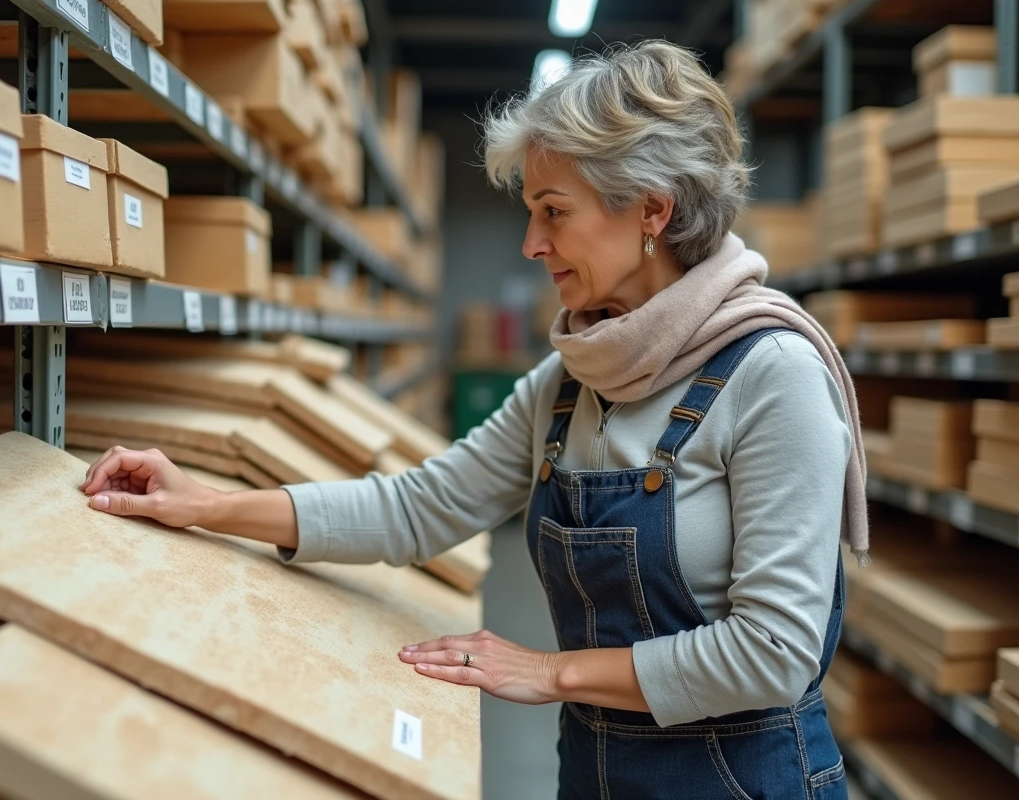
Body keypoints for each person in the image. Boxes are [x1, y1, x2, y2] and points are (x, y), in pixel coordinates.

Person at [81, 40, 868, 800]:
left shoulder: (773, 375)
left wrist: (549, 671)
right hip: (595, 770)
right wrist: (206, 505)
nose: (531, 243)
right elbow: (418, 507)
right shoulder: (569, 382)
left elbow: (774, 653)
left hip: (745, 781)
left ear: (652, 212)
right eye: (530, 212)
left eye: (553, 212)